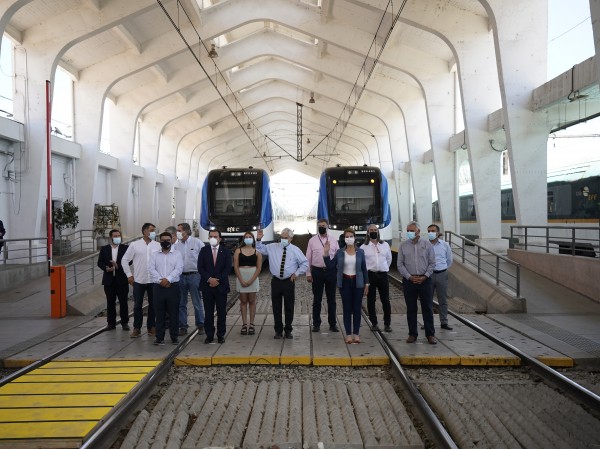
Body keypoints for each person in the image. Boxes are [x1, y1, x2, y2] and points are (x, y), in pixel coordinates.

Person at [256, 227, 308, 339]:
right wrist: (259, 239)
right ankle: (278, 330)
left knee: (289, 306)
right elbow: (259, 248)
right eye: (282, 237)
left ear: (291, 238)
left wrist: (297, 274)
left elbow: (304, 263)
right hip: (276, 281)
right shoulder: (272, 247)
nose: (283, 239)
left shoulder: (295, 250)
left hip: (288, 281)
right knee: (276, 306)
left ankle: (288, 330)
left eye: (286, 238)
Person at [323, 228, 369, 344]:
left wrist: (366, 284)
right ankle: (348, 334)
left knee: (357, 308)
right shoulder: (340, 252)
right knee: (347, 309)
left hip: (357, 282)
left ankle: (356, 334)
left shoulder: (360, 252)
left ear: (354, 238)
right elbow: (330, 265)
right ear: (344, 238)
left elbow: (364, 269)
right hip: (345, 282)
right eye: (346, 236)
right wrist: (326, 253)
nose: (349, 238)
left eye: (351, 236)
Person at [397, 221, 437, 344]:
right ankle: (412, 334)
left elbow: (432, 263)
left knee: (427, 308)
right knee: (411, 308)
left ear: (418, 231)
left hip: (425, 280)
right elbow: (400, 264)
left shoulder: (427, 244)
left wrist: (425, 276)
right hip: (409, 281)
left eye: (412, 230)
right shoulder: (403, 245)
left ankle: (430, 334)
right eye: (408, 230)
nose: (409, 233)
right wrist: (409, 277)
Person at [122, 223, 161, 338]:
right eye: (152, 230)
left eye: (154, 230)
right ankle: (137, 328)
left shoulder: (157, 245)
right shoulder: (135, 245)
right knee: (138, 305)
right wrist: (129, 275)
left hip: (153, 280)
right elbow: (124, 260)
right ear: (144, 232)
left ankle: (151, 326)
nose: (154, 232)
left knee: (153, 305)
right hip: (139, 280)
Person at [148, 231, 183, 345]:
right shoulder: (154, 254)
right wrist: (161, 280)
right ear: (160, 241)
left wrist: (168, 279)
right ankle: (159, 337)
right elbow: (151, 269)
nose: (165, 242)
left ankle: (174, 337)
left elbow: (179, 269)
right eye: (163, 240)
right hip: (158, 288)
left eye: (167, 240)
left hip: (173, 287)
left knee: (174, 313)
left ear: (171, 240)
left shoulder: (177, 254)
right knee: (159, 313)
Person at [197, 229, 232, 344]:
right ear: (208, 238)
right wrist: (209, 279)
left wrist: (217, 279)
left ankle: (221, 334)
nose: (213, 238)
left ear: (220, 238)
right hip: (207, 286)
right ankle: (209, 335)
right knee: (208, 312)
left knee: (222, 312)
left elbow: (227, 268)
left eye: (215, 236)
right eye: (211, 236)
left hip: (221, 286)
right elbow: (200, 267)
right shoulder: (203, 250)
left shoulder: (226, 251)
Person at [305, 218, 339, 333]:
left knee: (332, 300)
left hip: (331, 272)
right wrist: (308, 273)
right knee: (317, 299)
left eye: (323, 225)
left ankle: (333, 324)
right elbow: (308, 258)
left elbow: (338, 258)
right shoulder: (312, 241)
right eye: (319, 225)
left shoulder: (334, 240)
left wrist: (337, 273)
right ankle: (316, 324)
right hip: (317, 272)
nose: (321, 227)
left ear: (327, 226)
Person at [97, 229, 130, 330]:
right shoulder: (105, 249)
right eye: (115, 236)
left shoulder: (126, 248)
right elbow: (100, 262)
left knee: (123, 301)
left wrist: (117, 266)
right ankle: (111, 323)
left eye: (119, 236)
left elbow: (130, 261)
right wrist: (106, 268)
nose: (117, 238)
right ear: (111, 237)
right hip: (109, 280)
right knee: (110, 302)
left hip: (122, 280)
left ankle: (124, 322)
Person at [175, 222, 205, 336]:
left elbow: (204, 258)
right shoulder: (176, 245)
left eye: (179, 230)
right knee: (181, 303)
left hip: (194, 276)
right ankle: (183, 326)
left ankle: (200, 324)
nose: (178, 232)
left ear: (186, 231)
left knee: (197, 302)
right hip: (180, 276)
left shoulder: (197, 243)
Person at [362, 224, 393, 332]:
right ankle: (374, 323)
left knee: (385, 300)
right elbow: (362, 264)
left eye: (375, 230)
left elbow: (389, 259)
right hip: (370, 275)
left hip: (383, 274)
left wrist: (383, 268)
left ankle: (387, 323)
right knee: (371, 299)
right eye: (371, 230)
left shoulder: (385, 245)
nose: (373, 231)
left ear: (378, 232)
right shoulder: (363, 247)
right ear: (368, 232)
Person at [233, 231, 262, 335]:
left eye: (250, 237)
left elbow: (259, 268)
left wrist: (251, 280)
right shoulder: (238, 251)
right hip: (241, 276)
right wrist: (241, 280)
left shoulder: (257, 252)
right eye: (246, 237)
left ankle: (252, 323)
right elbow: (235, 266)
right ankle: (244, 324)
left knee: (252, 301)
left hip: (253, 277)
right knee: (243, 301)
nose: (248, 238)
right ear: (243, 239)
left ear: (253, 239)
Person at [427, 224, 453, 330]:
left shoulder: (445, 245)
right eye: (429, 231)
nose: (430, 233)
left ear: (438, 233)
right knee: (427, 300)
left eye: (433, 231)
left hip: (442, 274)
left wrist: (443, 268)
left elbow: (449, 260)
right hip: (429, 275)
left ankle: (444, 322)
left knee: (443, 300)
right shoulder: (425, 245)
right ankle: (428, 322)